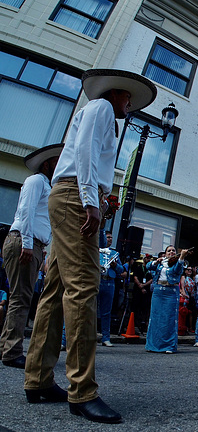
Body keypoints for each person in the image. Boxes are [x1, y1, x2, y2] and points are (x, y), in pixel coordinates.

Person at [23, 69, 156, 424]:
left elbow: (89, 157)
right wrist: (90, 199)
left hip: (71, 194)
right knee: (83, 286)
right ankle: (82, 391)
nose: (130, 105)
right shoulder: (100, 106)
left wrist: (99, 194)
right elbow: (83, 150)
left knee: (55, 291)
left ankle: (37, 380)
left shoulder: (101, 114)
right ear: (117, 94)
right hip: (75, 196)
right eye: (128, 99)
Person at [1, 143, 62, 369]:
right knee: (20, 297)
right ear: (46, 164)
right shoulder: (36, 181)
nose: (59, 166)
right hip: (24, 242)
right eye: (56, 162)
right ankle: (12, 351)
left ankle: (6, 346)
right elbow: (26, 211)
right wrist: (27, 243)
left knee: (19, 296)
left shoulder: (46, 185)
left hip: (32, 244)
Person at [145, 246, 190, 354]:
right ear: (165, 253)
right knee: (155, 318)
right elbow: (148, 266)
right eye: (169, 251)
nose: (171, 252)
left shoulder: (177, 263)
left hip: (171, 292)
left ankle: (169, 346)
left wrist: (182, 257)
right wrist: (156, 262)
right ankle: (152, 345)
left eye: (173, 251)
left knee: (169, 318)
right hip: (158, 292)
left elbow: (177, 271)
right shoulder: (161, 263)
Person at [97, 230, 123, 347]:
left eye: (111, 238)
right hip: (98, 280)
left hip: (109, 282)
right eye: (107, 237)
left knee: (106, 312)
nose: (110, 239)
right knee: (90, 310)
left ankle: (106, 337)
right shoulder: (96, 251)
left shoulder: (114, 253)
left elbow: (121, 270)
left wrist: (115, 266)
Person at [132, 254, 153, 335]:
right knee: (135, 307)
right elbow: (135, 277)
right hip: (137, 291)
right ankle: (135, 324)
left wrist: (144, 285)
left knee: (144, 309)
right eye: (147, 258)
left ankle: (142, 325)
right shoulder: (139, 267)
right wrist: (140, 286)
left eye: (149, 258)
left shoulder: (150, 270)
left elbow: (151, 279)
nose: (148, 260)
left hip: (146, 291)